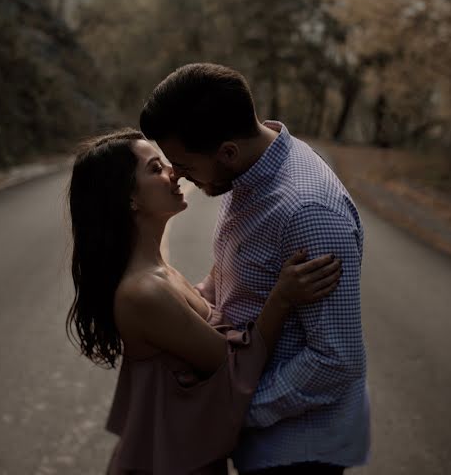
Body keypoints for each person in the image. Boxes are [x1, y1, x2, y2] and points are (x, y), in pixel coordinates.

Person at [66, 128, 343, 474]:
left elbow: (203, 303)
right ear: (129, 199)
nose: (174, 172)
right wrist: (282, 298)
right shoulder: (142, 292)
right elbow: (233, 367)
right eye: (155, 168)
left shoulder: (157, 270)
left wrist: (242, 249)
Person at [139, 63, 370, 474]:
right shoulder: (247, 171)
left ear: (227, 151)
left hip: (295, 449)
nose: (177, 175)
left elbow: (337, 359)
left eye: (186, 166)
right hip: (257, 431)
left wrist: (239, 408)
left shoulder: (307, 211)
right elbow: (235, 278)